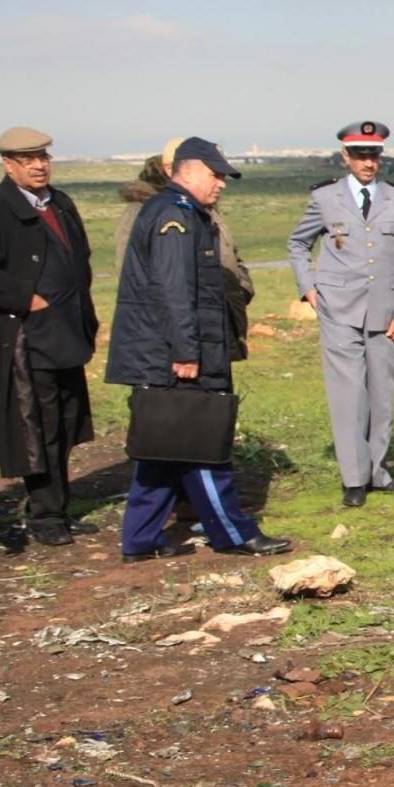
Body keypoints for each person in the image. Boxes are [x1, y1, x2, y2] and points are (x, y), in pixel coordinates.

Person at [107, 138, 290, 562]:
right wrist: (187, 352)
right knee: (203, 444)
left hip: (168, 350)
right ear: (186, 170)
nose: (221, 184)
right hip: (179, 354)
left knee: (164, 444)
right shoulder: (175, 216)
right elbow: (175, 292)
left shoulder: (178, 211)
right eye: (215, 174)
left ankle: (140, 538)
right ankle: (233, 533)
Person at [0, 126, 100, 547]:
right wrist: (24, 298)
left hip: (66, 331)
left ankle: (58, 507)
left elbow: (80, 258)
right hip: (29, 335)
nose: (39, 166)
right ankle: (44, 516)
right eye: (29, 160)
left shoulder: (60, 202)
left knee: (66, 420)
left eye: (43, 158)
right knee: (38, 426)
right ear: (8, 165)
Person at [288, 121, 394, 508]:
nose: (368, 162)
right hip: (339, 309)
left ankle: (378, 471)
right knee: (348, 396)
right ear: (345, 157)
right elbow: (298, 243)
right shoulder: (326, 198)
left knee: (382, 394)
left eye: (374, 154)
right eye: (361, 154)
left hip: (386, 311)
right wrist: (308, 288)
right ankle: (354, 478)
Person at [117, 138, 254, 360]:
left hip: (216, 319)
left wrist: (241, 288)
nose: (221, 183)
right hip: (174, 334)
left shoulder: (203, 208)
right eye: (214, 174)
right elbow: (141, 275)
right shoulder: (151, 211)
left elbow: (230, 253)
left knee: (214, 389)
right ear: (174, 169)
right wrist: (182, 344)